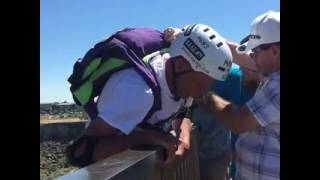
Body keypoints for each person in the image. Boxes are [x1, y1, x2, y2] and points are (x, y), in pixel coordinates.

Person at [65, 24, 233, 167]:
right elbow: (79, 151)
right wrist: (150, 137)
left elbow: (183, 109)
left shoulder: (183, 82)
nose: (202, 93)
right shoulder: (138, 92)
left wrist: (184, 133)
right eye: (201, 84)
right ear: (181, 65)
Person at [198, 11, 280, 180]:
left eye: (255, 52)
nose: (252, 58)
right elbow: (238, 54)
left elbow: (239, 122)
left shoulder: (278, 85)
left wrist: (203, 96)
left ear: (274, 51)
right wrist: (202, 38)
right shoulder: (272, 71)